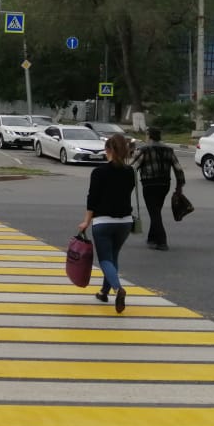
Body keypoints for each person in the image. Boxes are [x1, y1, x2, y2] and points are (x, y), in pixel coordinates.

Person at [77, 133, 135, 314]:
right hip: (125, 222)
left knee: (105, 259)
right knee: (113, 257)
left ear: (107, 150)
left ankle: (118, 289)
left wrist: (86, 221)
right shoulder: (130, 171)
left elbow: (92, 199)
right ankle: (104, 292)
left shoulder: (99, 172)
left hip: (103, 221)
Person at [130, 126, 185, 251]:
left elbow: (132, 167)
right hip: (164, 185)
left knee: (154, 212)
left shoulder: (144, 150)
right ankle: (152, 238)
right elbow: (178, 169)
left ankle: (162, 241)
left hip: (149, 185)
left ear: (149, 135)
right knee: (156, 211)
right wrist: (179, 186)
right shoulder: (168, 150)